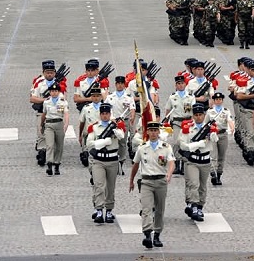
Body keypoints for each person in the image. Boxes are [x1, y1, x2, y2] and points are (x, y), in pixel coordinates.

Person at [129, 120, 175, 250]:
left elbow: (171, 162)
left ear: (158, 132)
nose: (153, 133)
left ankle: (157, 235)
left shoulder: (166, 147)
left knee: (159, 210)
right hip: (146, 182)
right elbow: (136, 164)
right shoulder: (142, 147)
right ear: (147, 132)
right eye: (151, 130)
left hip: (161, 181)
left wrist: (169, 174)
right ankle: (147, 234)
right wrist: (131, 180)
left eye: (156, 130)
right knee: (146, 208)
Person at [87, 103, 127, 223]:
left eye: (107, 114)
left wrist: (115, 128)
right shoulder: (94, 127)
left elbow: (121, 137)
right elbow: (89, 143)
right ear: (100, 115)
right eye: (103, 114)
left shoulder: (115, 126)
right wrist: (103, 142)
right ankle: (99, 209)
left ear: (110, 114)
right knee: (99, 186)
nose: (105, 116)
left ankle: (109, 210)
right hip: (99, 160)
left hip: (112, 160)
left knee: (110, 187)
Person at [179, 103, 219, 222]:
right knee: (193, 184)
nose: (198, 117)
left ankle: (200, 206)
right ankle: (194, 206)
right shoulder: (188, 127)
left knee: (202, 186)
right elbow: (182, 144)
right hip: (192, 160)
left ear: (204, 115)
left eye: (200, 114)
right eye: (196, 115)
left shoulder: (209, 127)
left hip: (205, 160)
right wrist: (197, 144)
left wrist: (213, 134)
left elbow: (215, 139)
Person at [40, 82, 70, 176]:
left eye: (55, 91)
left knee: (59, 146)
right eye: (52, 91)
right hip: (49, 124)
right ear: (49, 92)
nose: (54, 93)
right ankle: (49, 164)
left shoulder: (63, 102)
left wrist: (66, 125)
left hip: (59, 124)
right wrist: (41, 124)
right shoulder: (46, 102)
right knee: (50, 145)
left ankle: (57, 164)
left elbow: (66, 114)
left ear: (58, 92)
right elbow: (44, 114)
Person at [205, 92, 234, 185]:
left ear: (222, 101)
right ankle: (213, 174)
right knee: (213, 156)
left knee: (221, 156)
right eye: (216, 100)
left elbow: (230, 120)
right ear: (214, 101)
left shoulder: (226, 111)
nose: (218, 101)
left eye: (220, 99)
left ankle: (219, 174)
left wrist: (232, 127)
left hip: (222, 134)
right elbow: (205, 124)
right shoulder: (210, 111)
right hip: (213, 135)